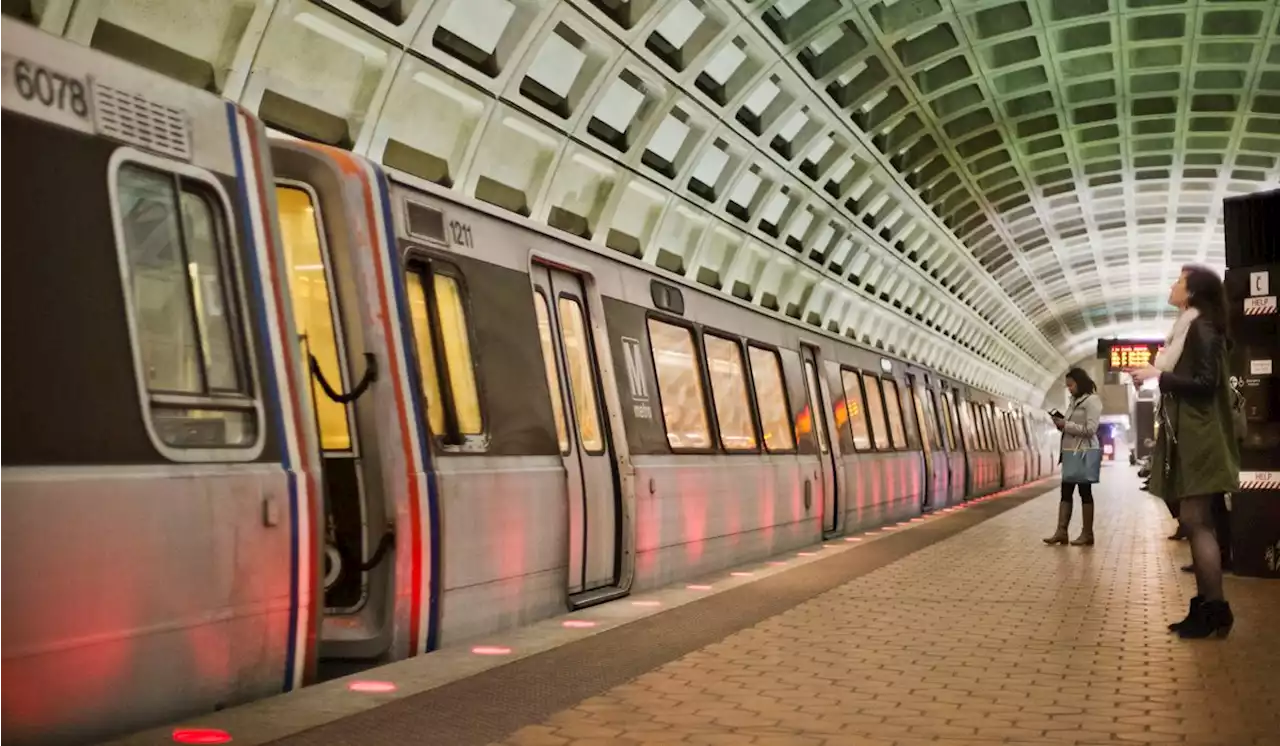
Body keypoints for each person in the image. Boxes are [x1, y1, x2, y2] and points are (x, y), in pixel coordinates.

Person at [1132, 265, 1239, 639]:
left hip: (1202, 437)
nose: (1173, 285)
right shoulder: (1186, 328)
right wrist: (1155, 374)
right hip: (1192, 434)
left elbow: (1207, 383)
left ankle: (1215, 609)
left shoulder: (1202, 327)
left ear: (1192, 292)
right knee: (1197, 521)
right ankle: (1209, 606)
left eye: (1179, 280)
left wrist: (1157, 377)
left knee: (1196, 520)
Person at [1044, 368, 1102, 546]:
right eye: (1067, 385)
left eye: (1071, 385)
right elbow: (1071, 425)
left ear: (1080, 382)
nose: (1069, 388)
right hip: (1070, 453)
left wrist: (1066, 425)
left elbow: (1091, 429)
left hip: (1084, 453)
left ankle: (1087, 534)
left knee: (1085, 493)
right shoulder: (1073, 401)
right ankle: (1061, 531)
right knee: (1066, 492)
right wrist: (1061, 425)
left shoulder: (1092, 401)